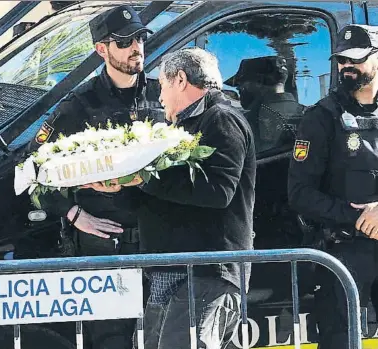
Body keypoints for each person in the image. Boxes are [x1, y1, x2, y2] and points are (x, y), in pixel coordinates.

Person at [89, 47, 256, 349]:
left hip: (206, 270)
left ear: (180, 79)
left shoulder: (221, 119)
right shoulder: (179, 126)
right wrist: (120, 187)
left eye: (162, 84)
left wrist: (146, 178)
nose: (160, 95)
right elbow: (162, 197)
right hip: (172, 271)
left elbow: (219, 192)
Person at [26, 5, 163, 349]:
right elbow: (33, 167)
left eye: (140, 39)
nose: (136, 48)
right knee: (111, 342)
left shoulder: (162, 94)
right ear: (101, 49)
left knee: (165, 338)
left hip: (160, 244)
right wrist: (73, 214)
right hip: (105, 248)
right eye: (125, 41)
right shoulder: (80, 105)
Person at [288, 24, 378, 349]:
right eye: (341, 60)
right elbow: (299, 193)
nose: (346, 67)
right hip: (342, 253)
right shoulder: (322, 118)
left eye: (355, 59)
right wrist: (356, 217)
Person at [225, 56, 306, 153]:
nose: (240, 93)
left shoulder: (244, 121)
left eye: (241, 88)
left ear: (259, 82)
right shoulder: (310, 115)